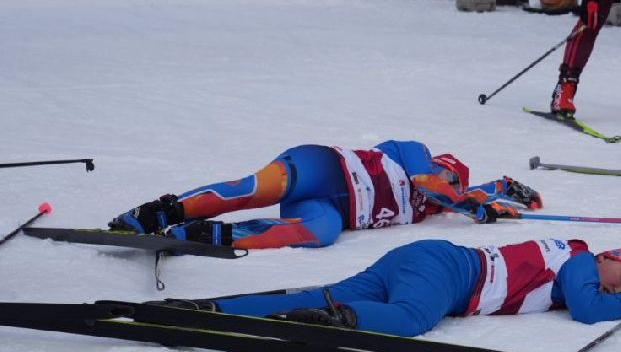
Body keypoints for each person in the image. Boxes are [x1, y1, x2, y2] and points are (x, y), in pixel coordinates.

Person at [158, 238, 621, 338]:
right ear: (612, 258)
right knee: (410, 319)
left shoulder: (580, 264)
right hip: (447, 273)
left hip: (427, 258)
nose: (618, 289)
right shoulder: (583, 260)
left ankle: (212, 305)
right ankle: (332, 325)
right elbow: (588, 311)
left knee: (326, 291)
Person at [108, 140, 544, 249]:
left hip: (329, 209)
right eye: (449, 179)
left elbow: (472, 195)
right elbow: (436, 186)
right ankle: (160, 212)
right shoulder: (418, 156)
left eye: (454, 186)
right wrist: (470, 204)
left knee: (320, 234)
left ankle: (210, 236)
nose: (448, 188)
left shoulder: (434, 203)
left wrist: (507, 191)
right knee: (255, 189)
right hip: (324, 168)